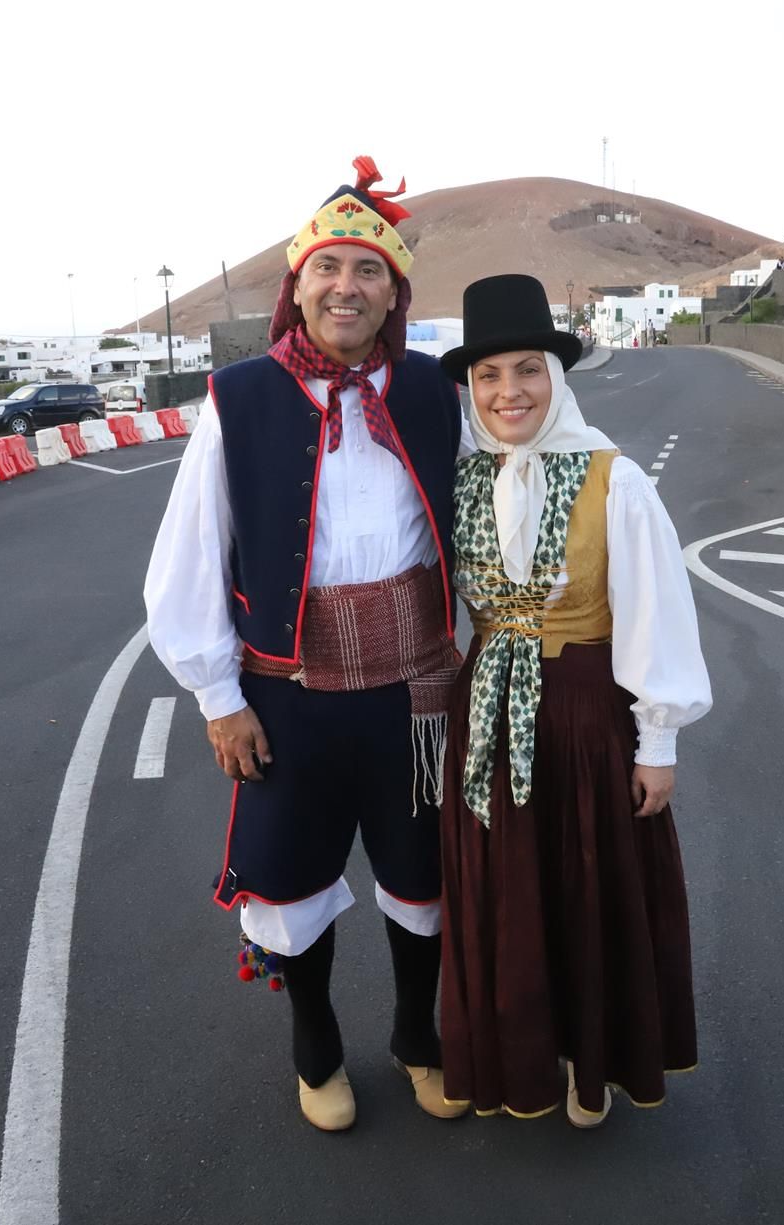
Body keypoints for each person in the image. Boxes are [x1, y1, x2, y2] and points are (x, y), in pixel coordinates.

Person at [144, 156, 469, 1132]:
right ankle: (316, 1046)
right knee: (290, 884)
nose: (346, 287)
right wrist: (218, 697)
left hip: (416, 693)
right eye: (328, 267)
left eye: (369, 271)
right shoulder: (240, 398)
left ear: (394, 293)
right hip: (287, 694)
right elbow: (190, 557)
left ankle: (418, 1036)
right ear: (298, 284)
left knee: (423, 877)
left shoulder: (432, 390)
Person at [433, 274, 712, 1127]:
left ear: (556, 377)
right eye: (488, 375)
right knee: (507, 896)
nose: (508, 391)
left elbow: (655, 610)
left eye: (527, 369)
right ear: (470, 388)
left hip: (586, 716)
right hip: (485, 715)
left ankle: (591, 1064)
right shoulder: (459, 479)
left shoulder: (612, 480)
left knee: (585, 889)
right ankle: (524, 1055)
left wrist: (656, 741)